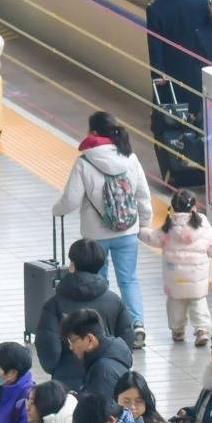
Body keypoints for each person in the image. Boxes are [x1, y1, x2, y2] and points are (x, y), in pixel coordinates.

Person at [57, 112, 153, 334]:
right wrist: (144, 223)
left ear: (93, 133)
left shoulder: (84, 161)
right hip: (127, 231)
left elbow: (71, 200)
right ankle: (137, 324)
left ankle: (102, 326)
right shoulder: (130, 158)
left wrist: (57, 210)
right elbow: (143, 196)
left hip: (95, 236)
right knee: (129, 280)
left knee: (97, 281)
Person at [145, 0, 212, 185]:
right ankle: (201, 172)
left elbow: (156, 52)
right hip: (198, 79)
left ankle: (176, 173)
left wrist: (158, 82)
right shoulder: (200, 4)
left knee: (168, 127)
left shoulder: (156, 10)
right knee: (199, 126)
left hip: (171, 83)